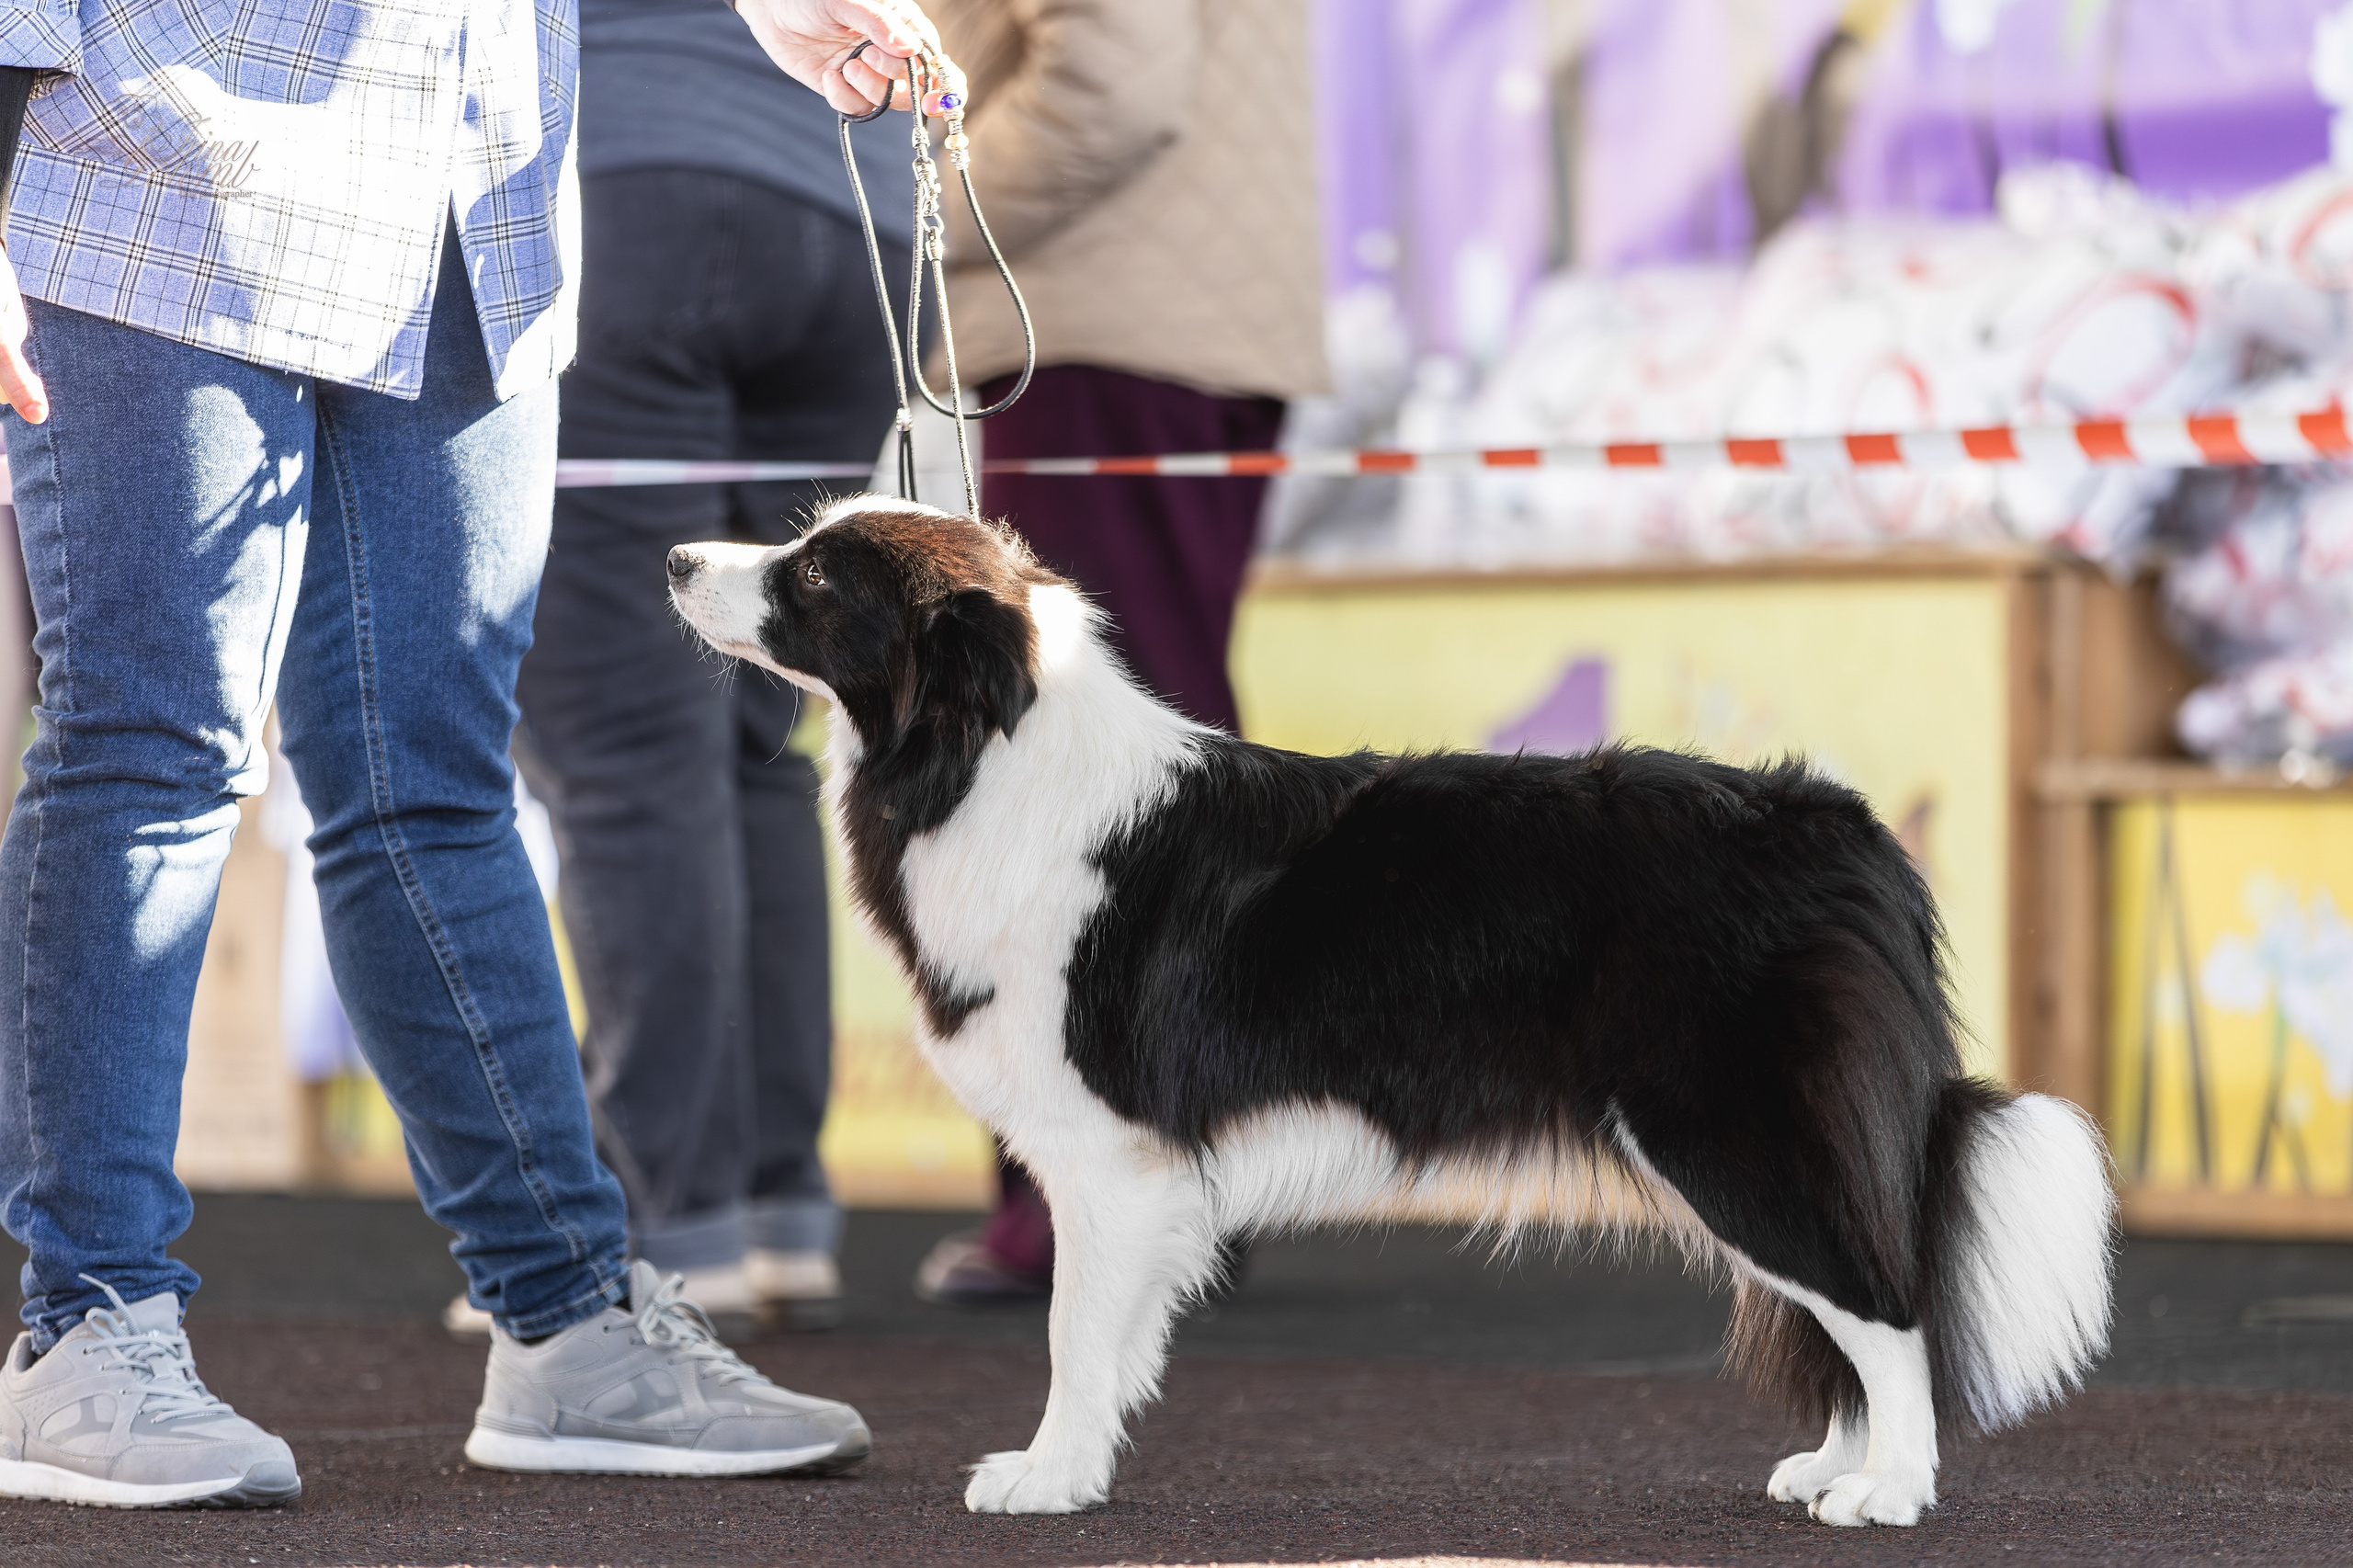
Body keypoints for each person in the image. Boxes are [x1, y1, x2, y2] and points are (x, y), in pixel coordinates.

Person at [0, 0, 955, 1510]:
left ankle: (568, 1325)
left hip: (473, 215)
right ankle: (86, 1331)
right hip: (149, 185)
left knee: (435, 788)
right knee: (150, 756)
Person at [460, 0, 917, 1344]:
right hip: (858, 210)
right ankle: (775, 1203)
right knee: (751, 747)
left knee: (622, 753)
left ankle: (665, 1220)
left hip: (638, 184)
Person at [912, 0, 1326, 1302]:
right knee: (1144, 748)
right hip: (1154, 306)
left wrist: (919, 212)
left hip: (1100, 311)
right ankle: (1170, 1172)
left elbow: (1114, 81)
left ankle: (1120, 1190)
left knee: (1085, 769)